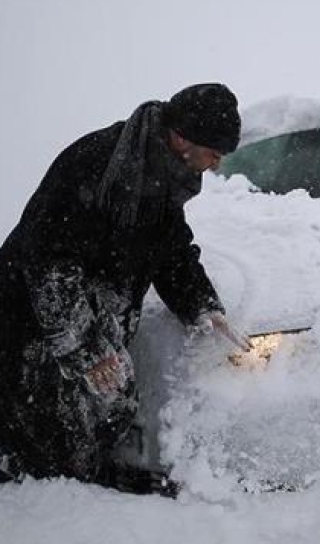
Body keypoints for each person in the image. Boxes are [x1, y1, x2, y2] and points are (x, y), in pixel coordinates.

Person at [0, 83, 249, 486]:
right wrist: (87, 349)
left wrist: (202, 304)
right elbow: (50, 266)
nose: (216, 165)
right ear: (182, 138)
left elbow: (171, 251)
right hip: (33, 319)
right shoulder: (96, 164)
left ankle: (84, 477)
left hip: (93, 312)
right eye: (214, 153)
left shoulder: (165, 176)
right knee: (47, 435)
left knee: (109, 404)